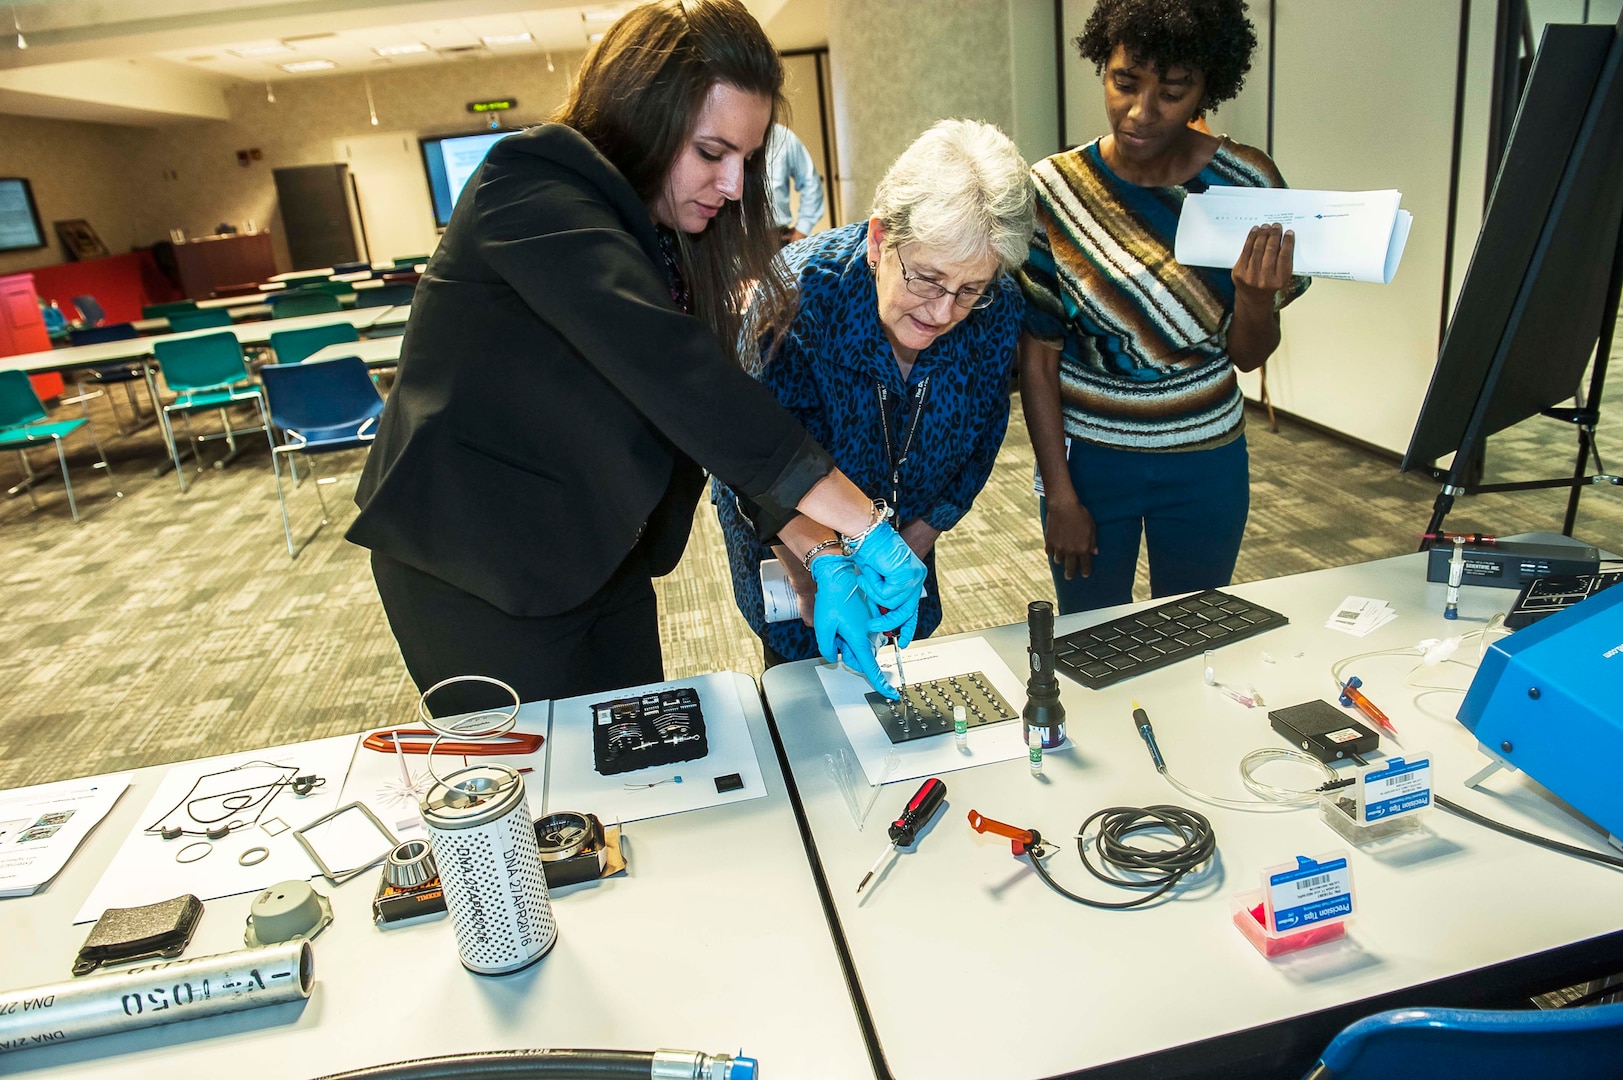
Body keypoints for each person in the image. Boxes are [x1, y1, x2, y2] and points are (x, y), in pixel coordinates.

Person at [347, 0, 924, 710]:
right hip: (474, 559)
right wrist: (863, 523)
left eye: (745, 158)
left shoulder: (670, 234)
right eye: (711, 153)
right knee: (544, 799)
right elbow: (678, 376)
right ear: (639, 118)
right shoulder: (527, 187)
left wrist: (815, 548)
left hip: (595, 547)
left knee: (633, 770)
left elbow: (704, 420)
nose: (733, 186)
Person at [1018, 0, 1309, 615]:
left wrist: (1257, 299)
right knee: (1091, 637)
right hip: (1092, 465)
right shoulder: (1053, 191)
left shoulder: (1245, 183)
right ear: (1103, 69)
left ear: (1208, 87)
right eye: (1125, 82)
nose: (1142, 112)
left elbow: (1250, 357)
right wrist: (1060, 495)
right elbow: (1037, 358)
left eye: (1174, 91)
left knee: (1195, 632)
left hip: (1206, 460)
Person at [716, 119, 1033, 667]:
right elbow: (744, 464)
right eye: (927, 280)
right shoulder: (794, 303)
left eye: (968, 290)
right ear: (880, 238)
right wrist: (819, 568)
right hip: (794, 557)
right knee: (806, 704)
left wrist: (910, 549)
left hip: (900, 551)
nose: (942, 312)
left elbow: (981, 438)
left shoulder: (997, 310)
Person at [764, 123, 825, 245]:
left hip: (777, 239)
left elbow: (811, 181)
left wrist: (803, 229)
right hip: (733, 242)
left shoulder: (781, 136)